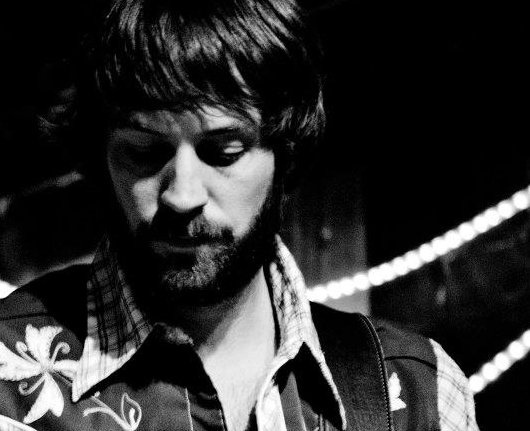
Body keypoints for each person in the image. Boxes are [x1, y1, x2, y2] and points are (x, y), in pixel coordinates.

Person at [0, 0, 479, 430]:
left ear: (286, 156)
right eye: (144, 153)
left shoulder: (419, 393)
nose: (182, 196)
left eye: (223, 152)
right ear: (100, 159)